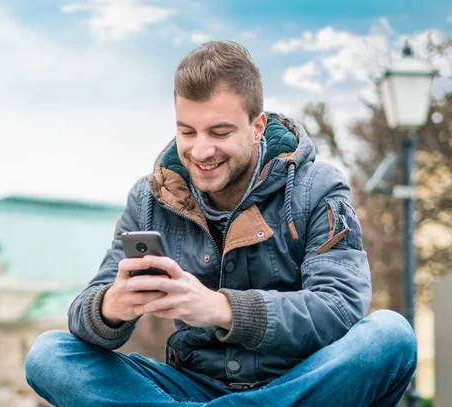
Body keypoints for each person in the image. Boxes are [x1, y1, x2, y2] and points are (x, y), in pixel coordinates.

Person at [25, 41, 417, 406]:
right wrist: (112, 307)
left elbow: (339, 307)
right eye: (187, 131)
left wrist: (219, 308)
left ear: (257, 126)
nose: (201, 150)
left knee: (390, 336)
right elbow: (84, 317)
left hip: (301, 382)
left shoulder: (319, 188)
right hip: (191, 384)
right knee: (49, 355)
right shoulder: (148, 199)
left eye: (219, 132)